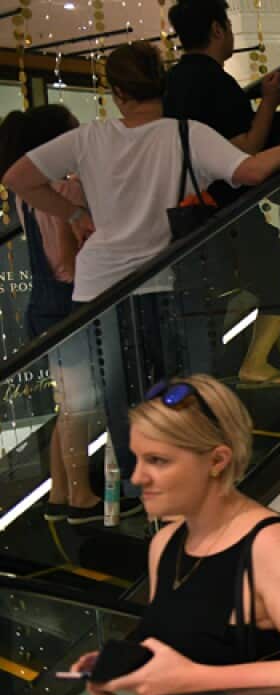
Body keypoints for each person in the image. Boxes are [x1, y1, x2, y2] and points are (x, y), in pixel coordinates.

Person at [3, 42, 280, 487]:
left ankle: (144, 487)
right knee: (184, 390)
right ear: (162, 85)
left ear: (117, 92)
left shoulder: (89, 138)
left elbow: (17, 178)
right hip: (167, 279)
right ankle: (187, 487)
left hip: (99, 292)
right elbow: (250, 171)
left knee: (119, 399)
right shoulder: (186, 134)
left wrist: (75, 215)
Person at [70, 374, 280, 695]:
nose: (137, 477)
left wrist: (193, 678)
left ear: (217, 460)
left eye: (158, 461)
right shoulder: (165, 545)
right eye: (137, 459)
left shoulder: (273, 545)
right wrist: (121, 677)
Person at [165, 0, 280, 388]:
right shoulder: (215, 81)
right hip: (227, 210)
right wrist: (270, 103)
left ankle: (199, 389)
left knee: (209, 306)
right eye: (227, 24)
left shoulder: (173, 83)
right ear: (216, 29)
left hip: (189, 213)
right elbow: (244, 153)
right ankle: (253, 364)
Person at [0, 106, 106, 524]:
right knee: (79, 405)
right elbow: (65, 258)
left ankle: (62, 492)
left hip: (42, 305)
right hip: (68, 300)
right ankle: (78, 496)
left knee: (68, 404)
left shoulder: (27, 193)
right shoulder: (66, 190)